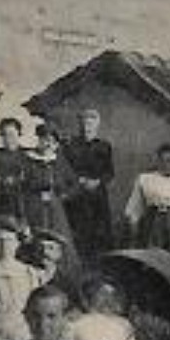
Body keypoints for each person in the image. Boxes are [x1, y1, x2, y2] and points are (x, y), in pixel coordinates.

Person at [63, 109, 116, 258]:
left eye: (91, 124)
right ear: (80, 125)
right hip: (76, 195)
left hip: (98, 196)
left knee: (100, 234)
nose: (87, 127)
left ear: (97, 126)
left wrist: (98, 181)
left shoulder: (104, 146)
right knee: (79, 232)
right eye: (85, 123)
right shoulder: (71, 145)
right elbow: (65, 168)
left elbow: (110, 173)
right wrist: (79, 180)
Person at [19, 122, 76, 248]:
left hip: (55, 208)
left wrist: (64, 195)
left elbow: (73, 182)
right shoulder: (28, 160)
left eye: (52, 141)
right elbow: (21, 188)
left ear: (56, 144)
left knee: (58, 238)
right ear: (39, 140)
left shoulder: (59, 161)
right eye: (44, 139)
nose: (48, 144)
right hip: (34, 206)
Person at [0, 117, 29, 230]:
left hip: (25, 205)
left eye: (12, 134)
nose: (9, 139)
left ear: (19, 134)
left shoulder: (27, 155)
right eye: (5, 135)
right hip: (1, 204)